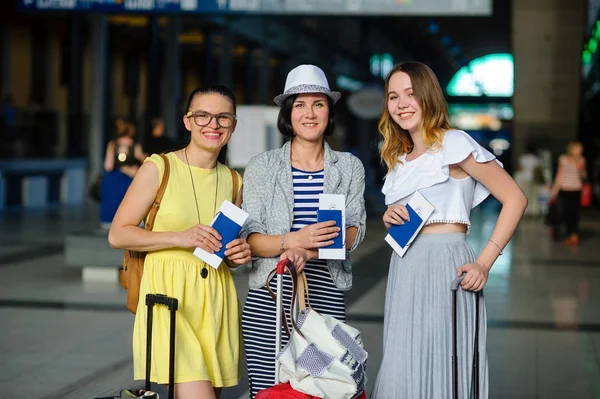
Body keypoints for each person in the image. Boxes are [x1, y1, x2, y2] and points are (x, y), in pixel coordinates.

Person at [372, 62, 527, 399]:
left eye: (410, 94)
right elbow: (406, 213)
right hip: (405, 268)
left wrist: (485, 262)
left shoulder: (454, 143)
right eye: (393, 96)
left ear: (428, 96)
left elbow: (515, 198)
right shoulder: (398, 160)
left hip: (447, 265)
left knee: (445, 366)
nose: (401, 104)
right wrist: (390, 217)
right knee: (403, 368)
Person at [108, 85, 251, 399]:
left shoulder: (234, 181)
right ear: (188, 121)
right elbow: (118, 234)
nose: (212, 125)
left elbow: (222, 251)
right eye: (203, 116)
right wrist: (179, 237)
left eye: (223, 118)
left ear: (233, 125)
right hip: (168, 299)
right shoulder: (159, 168)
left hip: (215, 301)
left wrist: (237, 254)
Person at [240, 64, 367, 398]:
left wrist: (308, 252)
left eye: (318, 104)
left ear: (329, 111)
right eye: (299, 104)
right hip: (270, 302)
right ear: (288, 113)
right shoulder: (262, 167)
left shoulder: (349, 167)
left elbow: (354, 231)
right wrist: (292, 241)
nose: (309, 113)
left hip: (324, 301)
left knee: (324, 387)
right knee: (271, 390)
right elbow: (250, 240)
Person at [100, 119, 146, 227]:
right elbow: (143, 162)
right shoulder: (135, 145)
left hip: (115, 180)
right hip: (131, 179)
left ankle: (109, 222)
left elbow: (108, 166)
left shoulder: (113, 144)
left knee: (113, 203)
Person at [550, 141, 587, 246]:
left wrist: (581, 169)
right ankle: (568, 233)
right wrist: (554, 190)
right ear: (572, 149)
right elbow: (560, 174)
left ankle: (574, 234)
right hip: (565, 189)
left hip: (576, 189)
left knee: (575, 213)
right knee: (565, 212)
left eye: (581, 149)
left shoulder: (582, 160)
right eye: (578, 148)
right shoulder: (563, 159)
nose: (580, 150)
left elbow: (584, 176)